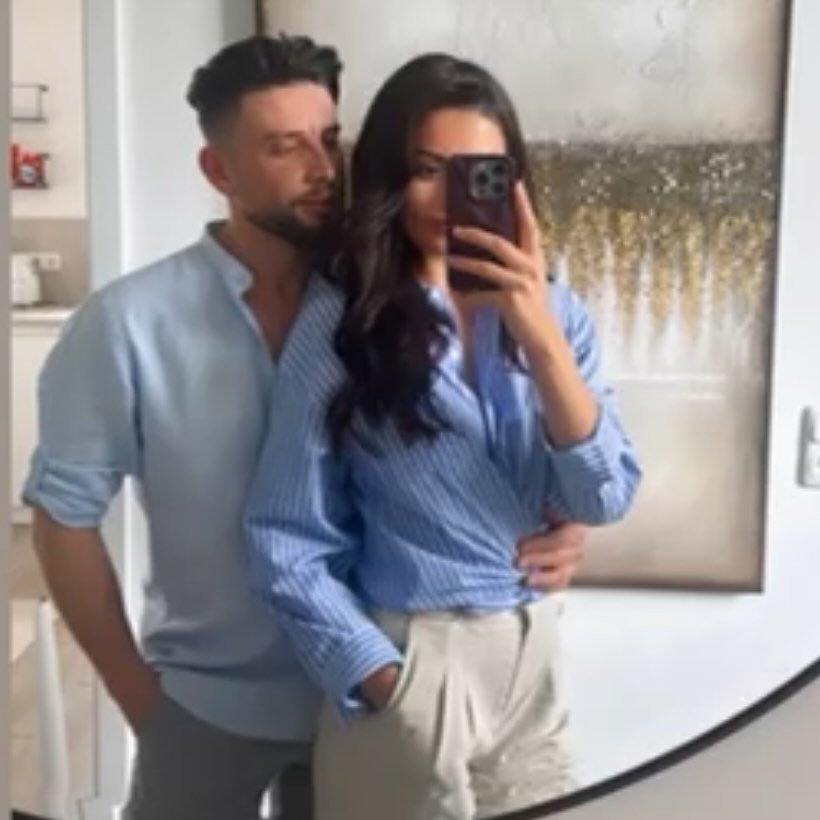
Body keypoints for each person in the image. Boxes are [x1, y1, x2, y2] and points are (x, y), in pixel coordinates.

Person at [22, 36, 589, 820]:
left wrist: (560, 524)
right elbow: (63, 520)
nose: (322, 170)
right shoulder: (126, 324)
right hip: (213, 706)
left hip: (382, 696)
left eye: (329, 140)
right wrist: (141, 702)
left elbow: (499, 455)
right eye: (284, 148)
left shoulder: (394, 304)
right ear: (219, 171)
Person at [244, 53, 642, 820]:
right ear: (391, 175)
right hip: (414, 663)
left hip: (534, 661)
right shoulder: (341, 321)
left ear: (511, 181)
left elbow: (604, 495)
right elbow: (284, 537)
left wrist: (538, 333)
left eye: (477, 173)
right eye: (427, 169)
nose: (448, 197)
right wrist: (382, 678)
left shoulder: (558, 313)